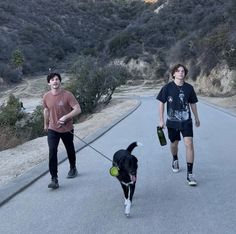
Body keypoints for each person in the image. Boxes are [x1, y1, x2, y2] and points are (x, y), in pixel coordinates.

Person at [157, 64, 200, 186]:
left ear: (185, 74)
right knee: (174, 144)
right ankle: (175, 159)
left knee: (189, 144)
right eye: (178, 71)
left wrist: (196, 117)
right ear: (174, 74)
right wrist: (161, 120)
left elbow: (193, 103)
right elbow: (161, 103)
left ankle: (190, 174)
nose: (181, 73)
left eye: (183, 71)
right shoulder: (167, 88)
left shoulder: (189, 88)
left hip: (186, 121)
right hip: (172, 122)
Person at [43, 73, 81, 189]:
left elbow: (77, 109)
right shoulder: (46, 96)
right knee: (52, 151)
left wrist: (65, 117)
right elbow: (46, 110)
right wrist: (45, 124)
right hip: (52, 128)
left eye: (57, 79)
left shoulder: (67, 95)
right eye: (52, 80)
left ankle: (73, 168)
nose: (55, 81)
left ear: (60, 81)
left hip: (67, 128)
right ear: (49, 83)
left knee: (70, 149)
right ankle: (54, 179)